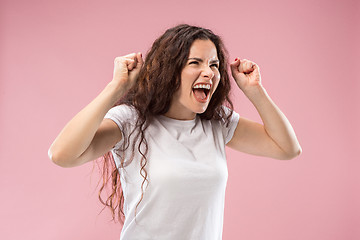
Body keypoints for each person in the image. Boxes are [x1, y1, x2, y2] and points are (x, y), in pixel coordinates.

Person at [48, 24, 302, 240]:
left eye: (214, 65)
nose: (209, 72)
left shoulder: (217, 123)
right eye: (195, 63)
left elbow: (287, 148)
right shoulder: (131, 121)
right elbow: (62, 154)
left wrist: (255, 91)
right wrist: (115, 88)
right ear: (170, 71)